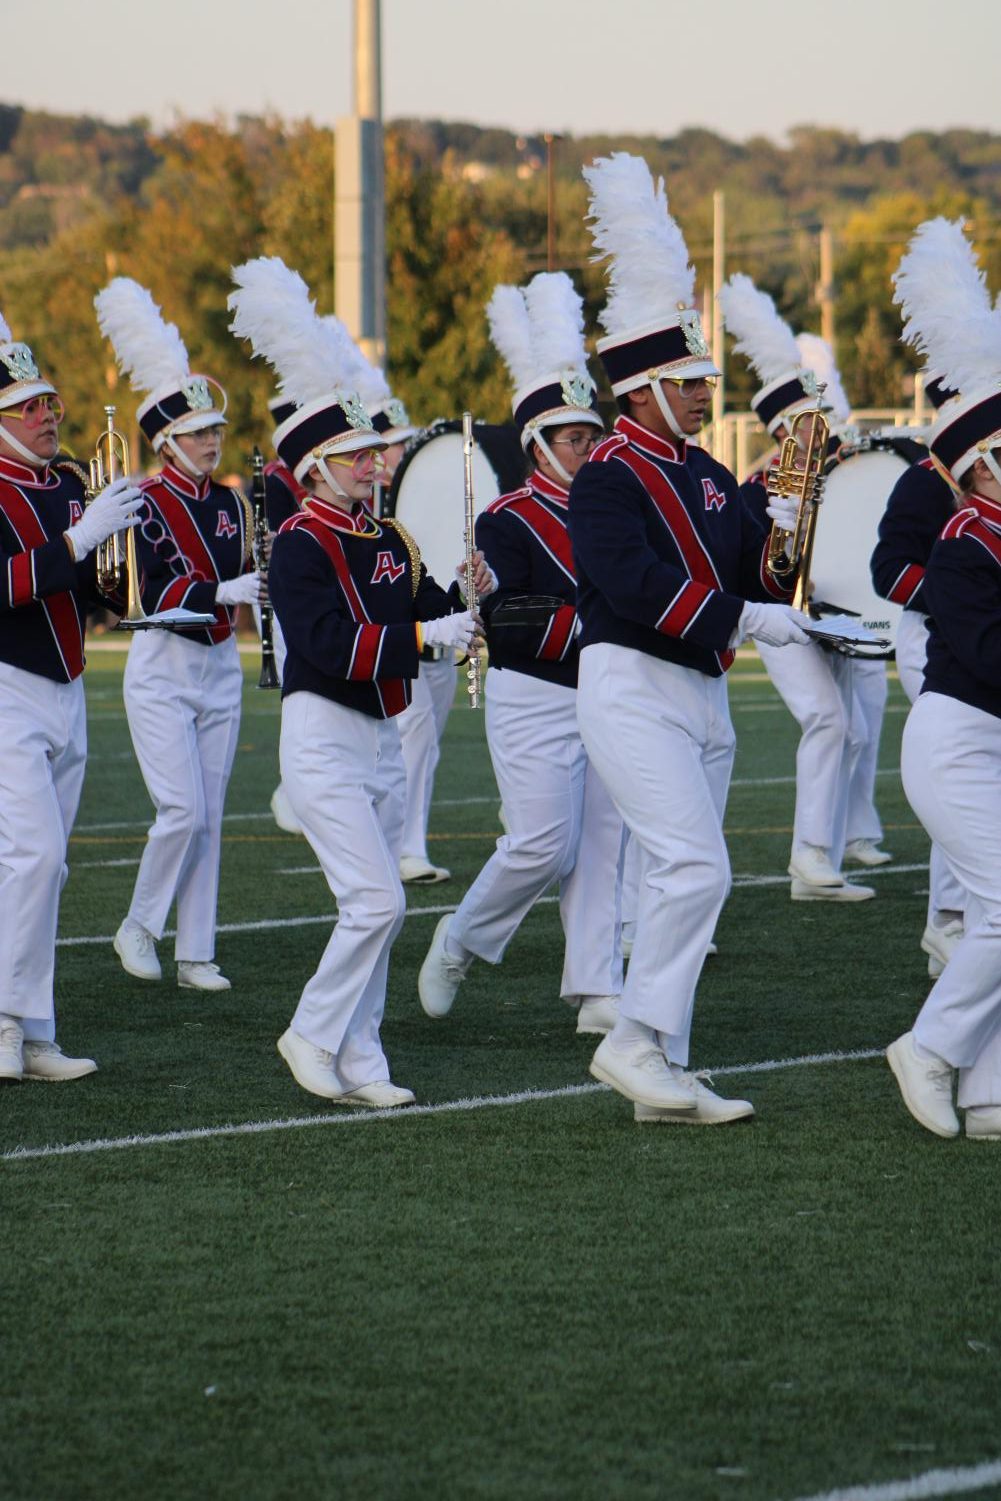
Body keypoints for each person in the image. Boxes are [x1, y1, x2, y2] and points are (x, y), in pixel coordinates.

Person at [567, 153, 812, 1124]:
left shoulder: (709, 472)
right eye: (690, 379)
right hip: (628, 682)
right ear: (642, 389)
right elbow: (626, 583)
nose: (707, 391)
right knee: (693, 866)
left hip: (699, 689)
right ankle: (632, 1042)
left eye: (705, 378)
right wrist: (741, 615)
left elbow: (753, 568)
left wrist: (785, 516)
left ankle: (659, 1062)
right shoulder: (604, 475)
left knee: (694, 874)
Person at [229, 256, 491, 1105]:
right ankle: (310, 1032)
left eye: (373, 452)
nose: (376, 465)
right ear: (313, 468)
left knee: (384, 910)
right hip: (323, 736)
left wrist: (467, 591)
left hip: (382, 735)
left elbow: (429, 602)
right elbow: (328, 643)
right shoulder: (300, 542)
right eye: (355, 457)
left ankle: (363, 1059)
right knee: (376, 903)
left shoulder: (390, 537)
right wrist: (426, 631)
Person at [418, 272, 625, 1037]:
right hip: (535, 694)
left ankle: (597, 986)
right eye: (573, 437)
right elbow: (503, 606)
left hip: (608, 687)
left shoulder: (614, 503)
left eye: (591, 433)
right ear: (537, 444)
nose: (587, 446)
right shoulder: (505, 517)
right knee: (542, 843)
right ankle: (462, 938)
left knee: (606, 836)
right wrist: (484, 581)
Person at [95, 278, 264, 993]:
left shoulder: (229, 502)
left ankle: (197, 951)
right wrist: (219, 590)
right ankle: (138, 923)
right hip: (164, 665)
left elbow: (245, 568)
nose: (210, 441)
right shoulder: (142, 498)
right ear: (166, 440)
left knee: (213, 815)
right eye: (196, 433)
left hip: (221, 663)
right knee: (183, 810)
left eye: (214, 431)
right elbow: (147, 593)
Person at [0, 309, 142, 1081]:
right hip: (5, 685)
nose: (48, 414)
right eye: (27, 405)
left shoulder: (65, 483)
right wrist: (78, 541)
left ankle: (37, 1029)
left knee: (43, 869)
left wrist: (119, 546)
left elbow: (97, 590)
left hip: (67, 683)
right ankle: (4, 1019)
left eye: (48, 401)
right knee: (35, 854)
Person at [885, 215, 1001, 1140]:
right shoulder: (965, 539)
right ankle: (926, 1047)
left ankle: (988, 1084)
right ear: (981, 466)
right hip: (956, 740)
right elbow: (986, 651)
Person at [719, 275, 878, 902]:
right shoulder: (754, 494)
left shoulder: (838, 478)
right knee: (827, 719)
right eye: (812, 425)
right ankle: (809, 857)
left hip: (830, 616)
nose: (825, 432)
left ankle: (824, 857)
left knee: (853, 731)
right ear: (785, 432)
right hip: (779, 621)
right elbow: (751, 574)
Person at [871, 365, 967, 978]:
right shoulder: (925, 481)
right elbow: (888, 569)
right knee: (965, 780)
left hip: (980, 636)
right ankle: (949, 922)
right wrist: (960, 594)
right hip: (932, 635)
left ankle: (959, 921)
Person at [355, 366, 456, 886]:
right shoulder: (370, 508)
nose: (398, 454)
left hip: (435, 639)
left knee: (426, 744)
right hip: (398, 644)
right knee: (408, 743)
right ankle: (404, 845)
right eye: (388, 446)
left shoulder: (421, 493)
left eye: (401, 444)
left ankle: (407, 840)